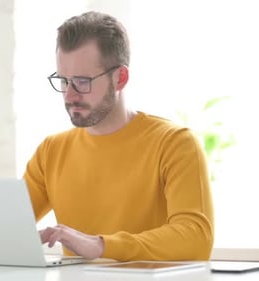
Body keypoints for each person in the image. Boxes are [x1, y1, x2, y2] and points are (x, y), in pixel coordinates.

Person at [23, 10, 214, 261]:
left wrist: (102, 246)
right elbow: (5, 228)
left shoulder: (174, 143)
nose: (69, 96)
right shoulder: (51, 151)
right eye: (63, 81)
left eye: (82, 81)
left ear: (120, 77)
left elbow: (196, 238)